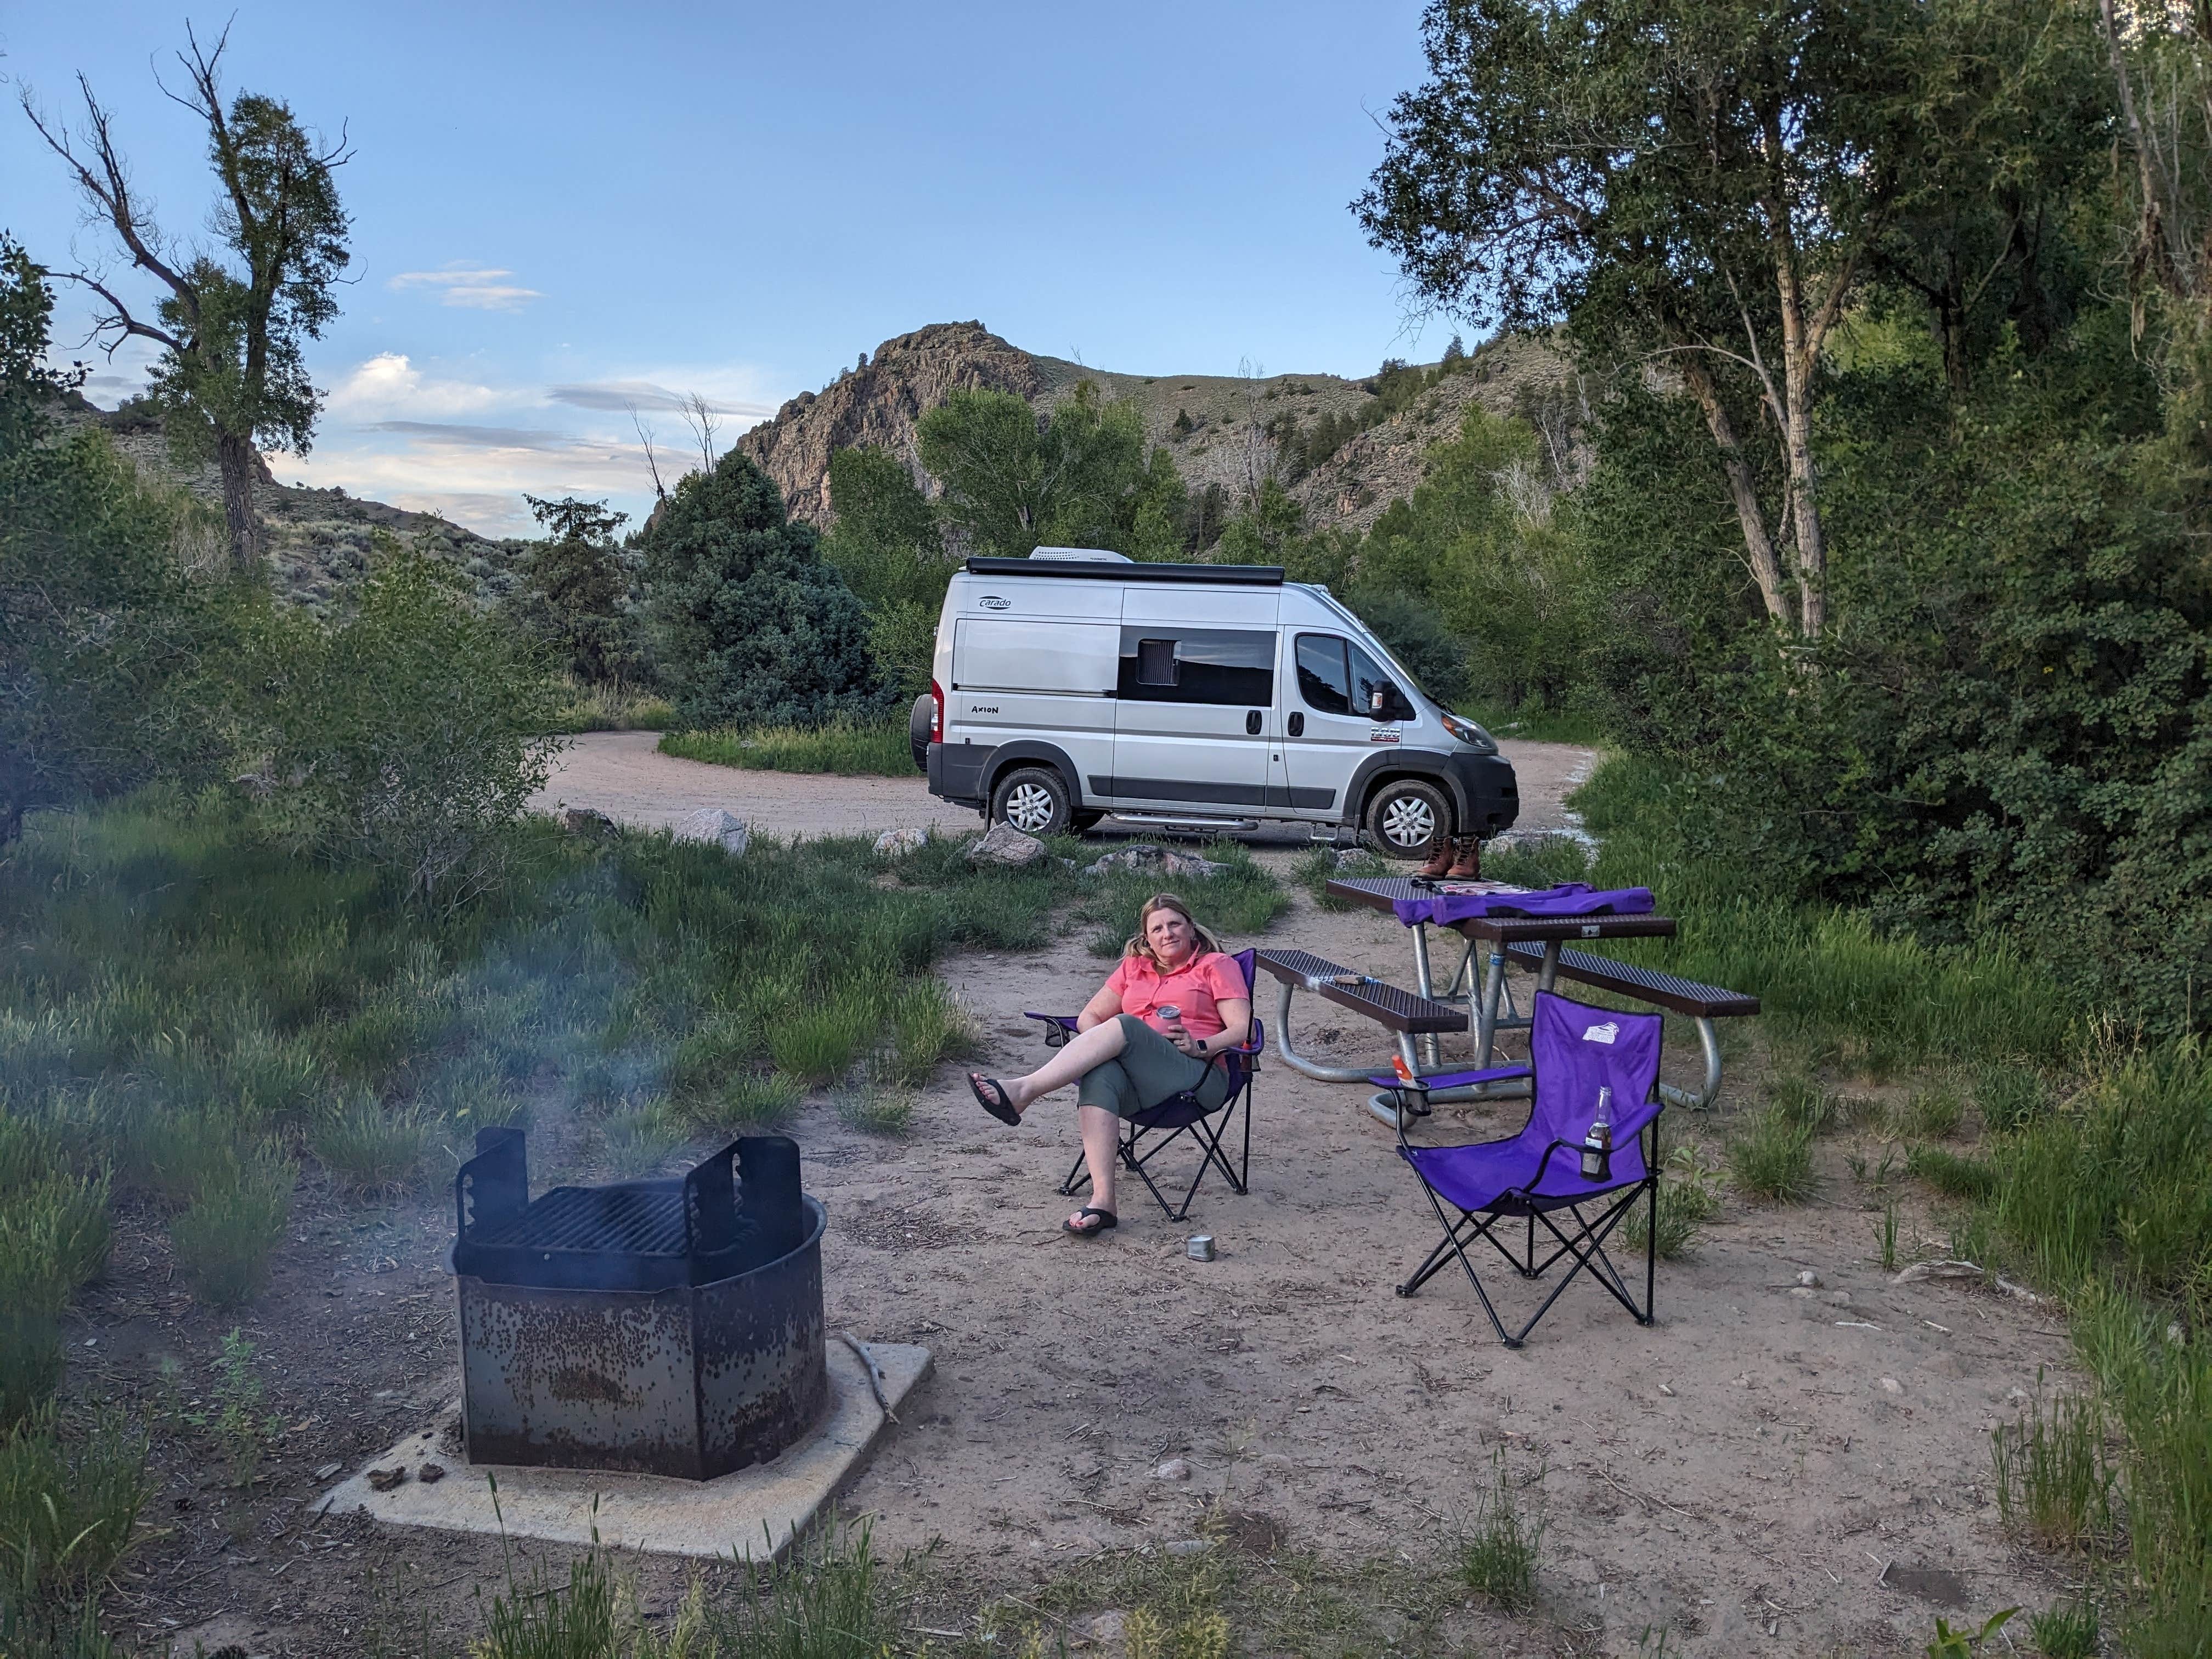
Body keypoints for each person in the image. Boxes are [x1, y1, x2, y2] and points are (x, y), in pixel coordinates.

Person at [968, 892, 1251, 1237]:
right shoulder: (1135, 967)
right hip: (1140, 1083)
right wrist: (1104, 1047)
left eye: (1175, 924)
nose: (1167, 934)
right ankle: (1103, 1203)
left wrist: (1200, 1046)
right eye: (1157, 929)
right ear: (1147, 938)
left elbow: (1242, 1029)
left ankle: (1024, 1090)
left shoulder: (1216, 965)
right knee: (1101, 1071)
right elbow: (1089, 1017)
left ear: (1191, 928)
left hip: (1197, 1077)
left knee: (1127, 1025)